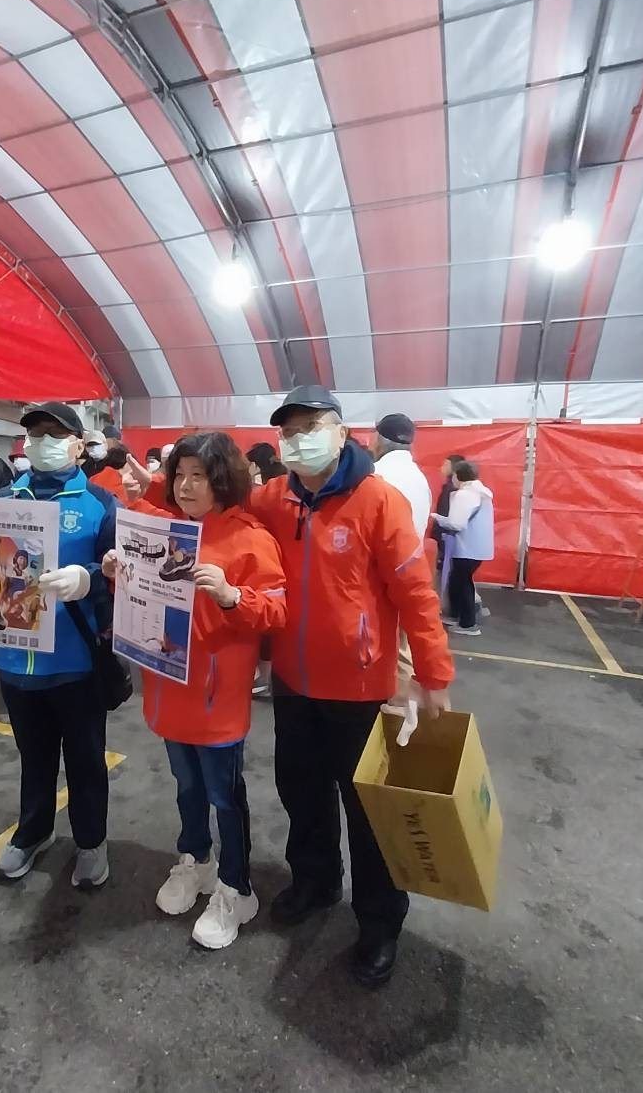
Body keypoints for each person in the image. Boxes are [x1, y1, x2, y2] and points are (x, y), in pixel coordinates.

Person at [250, 385, 455, 987]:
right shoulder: (274, 498)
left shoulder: (379, 500)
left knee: (369, 815)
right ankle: (315, 882)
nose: (298, 440)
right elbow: (213, 507)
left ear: (342, 432)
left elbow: (415, 593)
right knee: (301, 794)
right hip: (293, 683)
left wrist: (434, 673)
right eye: (289, 431)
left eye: (311, 426)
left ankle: (380, 922)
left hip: (363, 691)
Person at [105, 432, 286, 949]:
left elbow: (276, 609)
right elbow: (145, 597)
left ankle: (236, 887)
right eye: (179, 475)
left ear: (222, 480)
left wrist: (232, 596)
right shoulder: (165, 530)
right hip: (168, 691)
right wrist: (119, 574)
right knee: (186, 788)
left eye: (198, 476)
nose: (184, 486)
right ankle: (196, 860)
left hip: (216, 699)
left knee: (225, 797)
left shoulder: (250, 538)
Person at [0, 402, 116, 890]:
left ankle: (91, 841)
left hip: (76, 660)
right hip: (14, 659)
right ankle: (34, 831)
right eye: (35, 435)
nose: (43, 443)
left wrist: (90, 579)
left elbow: (125, 572)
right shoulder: (1, 500)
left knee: (86, 759)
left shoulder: (100, 504)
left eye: (55, 434)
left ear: (79, 445)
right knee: (33, 756)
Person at [434, 461, 495, 637]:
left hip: (466, 547)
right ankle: (457, 615)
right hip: (477, 547)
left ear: (458, 475)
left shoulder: (465, 495)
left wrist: (437, 518)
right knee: (459, 580)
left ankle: (468, 624)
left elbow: (456, 523)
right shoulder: (481, 492)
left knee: (462, 583)